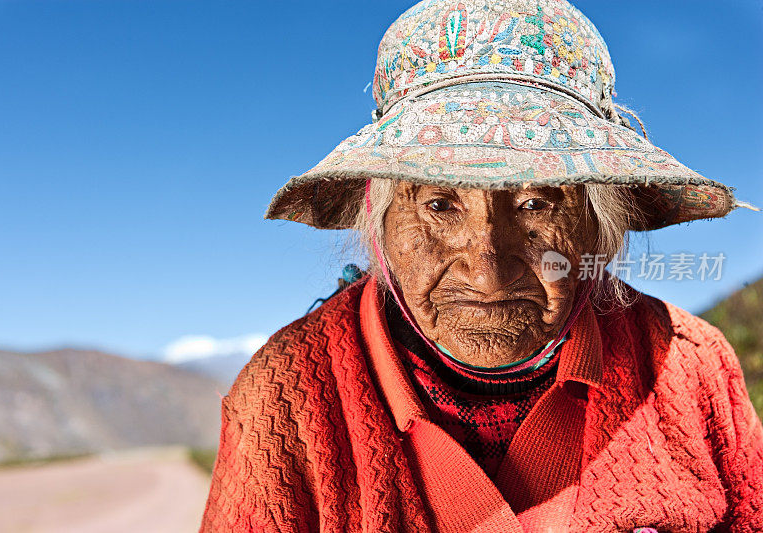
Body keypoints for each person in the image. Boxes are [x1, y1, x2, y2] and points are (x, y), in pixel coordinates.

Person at [200, 0, 762, 531]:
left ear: (600, 224)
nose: (488, 271)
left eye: (535, 203)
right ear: (379, 220)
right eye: (441, 205)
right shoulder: (289, 391)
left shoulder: (688, 366)